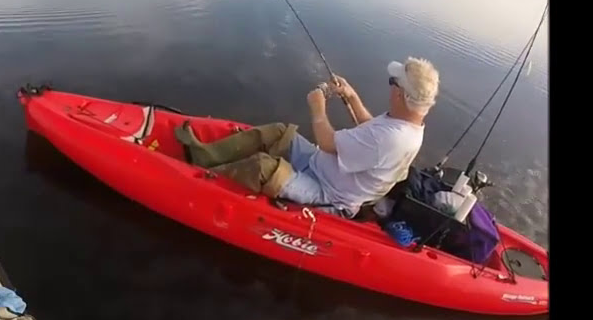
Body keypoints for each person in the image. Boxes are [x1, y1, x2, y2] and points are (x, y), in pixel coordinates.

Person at [174, 57, 440, 217]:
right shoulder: (407, 125)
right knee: (279, 132)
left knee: (263, 167)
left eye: (393, 83)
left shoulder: (392, 139)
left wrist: (318, 109)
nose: (390, 86)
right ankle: (205, 156)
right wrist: (351, 96)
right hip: (320, 165)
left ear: (400, 95)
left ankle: (199, 182)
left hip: (328, 194)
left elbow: (327, 142)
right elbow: (370, 126)